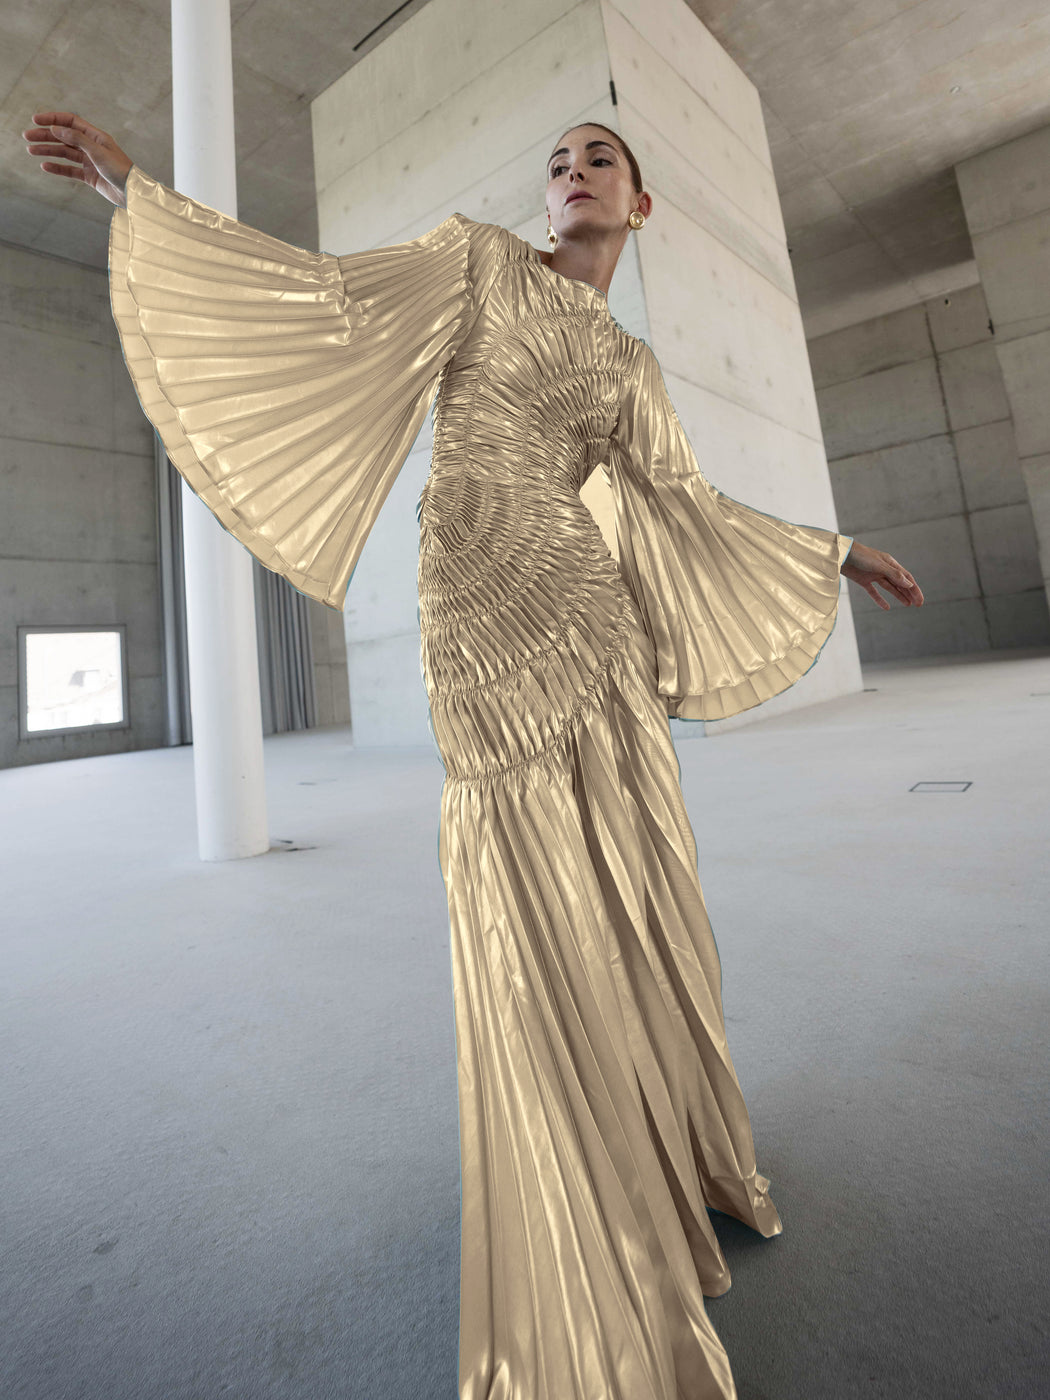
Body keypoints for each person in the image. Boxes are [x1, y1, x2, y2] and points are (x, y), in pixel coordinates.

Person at [24, 110, 923, 1400]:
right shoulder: (476, 263)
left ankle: (655, 1157)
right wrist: (138, 199)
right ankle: (576, 1204)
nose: (570, 175)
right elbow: (322, 301)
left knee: (625, 879)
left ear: (642, 206)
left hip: (590, 613)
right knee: (518, 891)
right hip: (479, 606)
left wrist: (835, 549)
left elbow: (687, 503)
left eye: (598, 159)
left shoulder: (634, 364)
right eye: (556, 163)